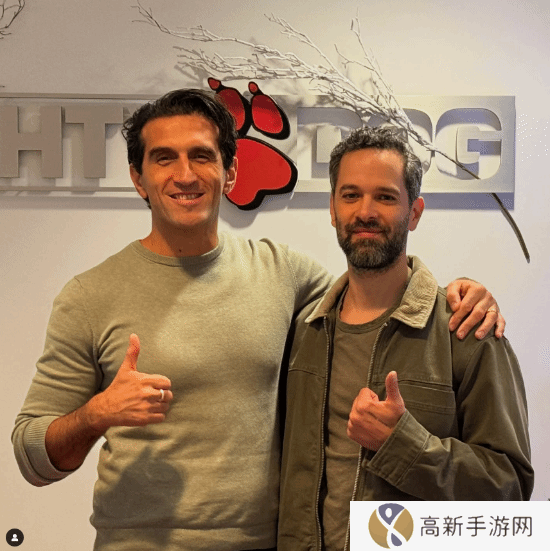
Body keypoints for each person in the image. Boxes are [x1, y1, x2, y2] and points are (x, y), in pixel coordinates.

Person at [12, 89, 503, 551]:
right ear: (139, 178)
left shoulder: (285, 274)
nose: (185, 175)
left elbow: (373, 291)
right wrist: (97, 413)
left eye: (202, 156)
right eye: (164, 158)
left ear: (229, 172)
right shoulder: (89, 295)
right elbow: (33, 456)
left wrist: (460, 294)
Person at [277, 126, 534, 551]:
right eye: (351, 195)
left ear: (414, 213)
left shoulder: (467, 331)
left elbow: (510, 489)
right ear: (332, 208)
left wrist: (404, 445)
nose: (365, 212)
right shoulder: (303, 330)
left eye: (385, 197)